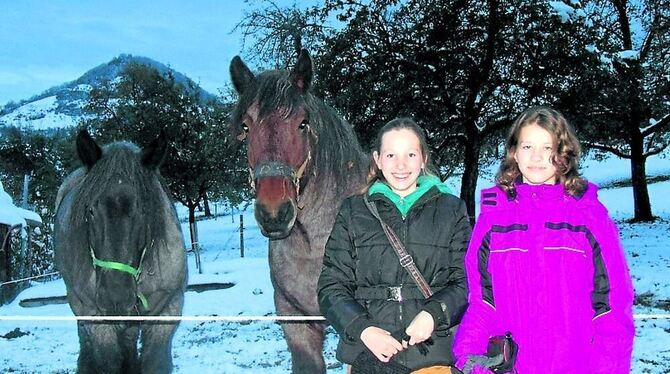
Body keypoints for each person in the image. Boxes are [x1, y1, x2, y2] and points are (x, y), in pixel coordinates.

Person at [452, 106, 635, 373]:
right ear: (514, 151)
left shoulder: (588, 216)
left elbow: (612, 308)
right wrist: (468, 354)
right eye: (527, 146)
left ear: (562, 154)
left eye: (547, 147)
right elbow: (482, 301)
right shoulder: (494, 218)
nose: (536, 157)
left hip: (574, 365)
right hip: (512, 366)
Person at [318, 117, 471, 372]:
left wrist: (434, 313)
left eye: (410, 154)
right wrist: (363, 329)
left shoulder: (451, 210)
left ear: (423, 158)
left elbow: (465, 280)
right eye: (391, 155)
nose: (401, 165)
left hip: (432, 354)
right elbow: (331, 285)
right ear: (377, 159)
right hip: (370, 355)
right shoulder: (353, 211)